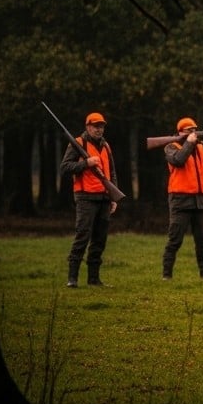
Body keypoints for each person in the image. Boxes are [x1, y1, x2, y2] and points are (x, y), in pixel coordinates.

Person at [60, 111, 119, 287]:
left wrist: (114, 197)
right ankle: (72, 278)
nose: (99, 129)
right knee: (82, 236)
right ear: (87, 127)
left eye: (101, 126)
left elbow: (112, 173)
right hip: (85, 197)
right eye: (95, 126)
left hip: (104, 198)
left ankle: (94, 279)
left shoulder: (106, 146)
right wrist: (86, 163)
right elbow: (65, 167)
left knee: (99, 240)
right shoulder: (78, 143)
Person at [162, 117, 203, 279]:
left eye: (194, 130)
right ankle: (166, 275)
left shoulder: (202, 146)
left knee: (202, 241)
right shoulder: (171, 146)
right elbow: (178, 160)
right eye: (189, 130)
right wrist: (189, 143)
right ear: (180, 132)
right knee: (175, 240)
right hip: (180, 201)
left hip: (201, 201)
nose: (193, 133)